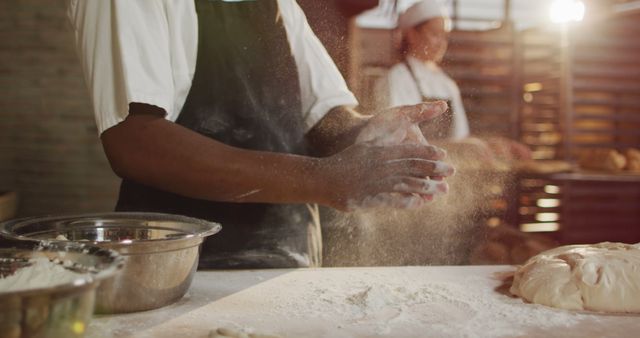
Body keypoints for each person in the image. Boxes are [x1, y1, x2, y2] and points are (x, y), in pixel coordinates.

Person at [67, 0, 455, 269]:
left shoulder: (279, 5)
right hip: (183, 274)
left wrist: (366, 132)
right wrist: (324, 180)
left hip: (290, 263)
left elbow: (324, 115)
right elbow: (134, 142)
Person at [378, 0, 531, 161]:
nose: (442, 43)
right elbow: (397, 143)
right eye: (435, 34)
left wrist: (492, 145)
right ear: (412, 34)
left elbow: (460, 138)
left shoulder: (447, 84)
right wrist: (463, 146)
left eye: (445, 36)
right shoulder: (396, 79)